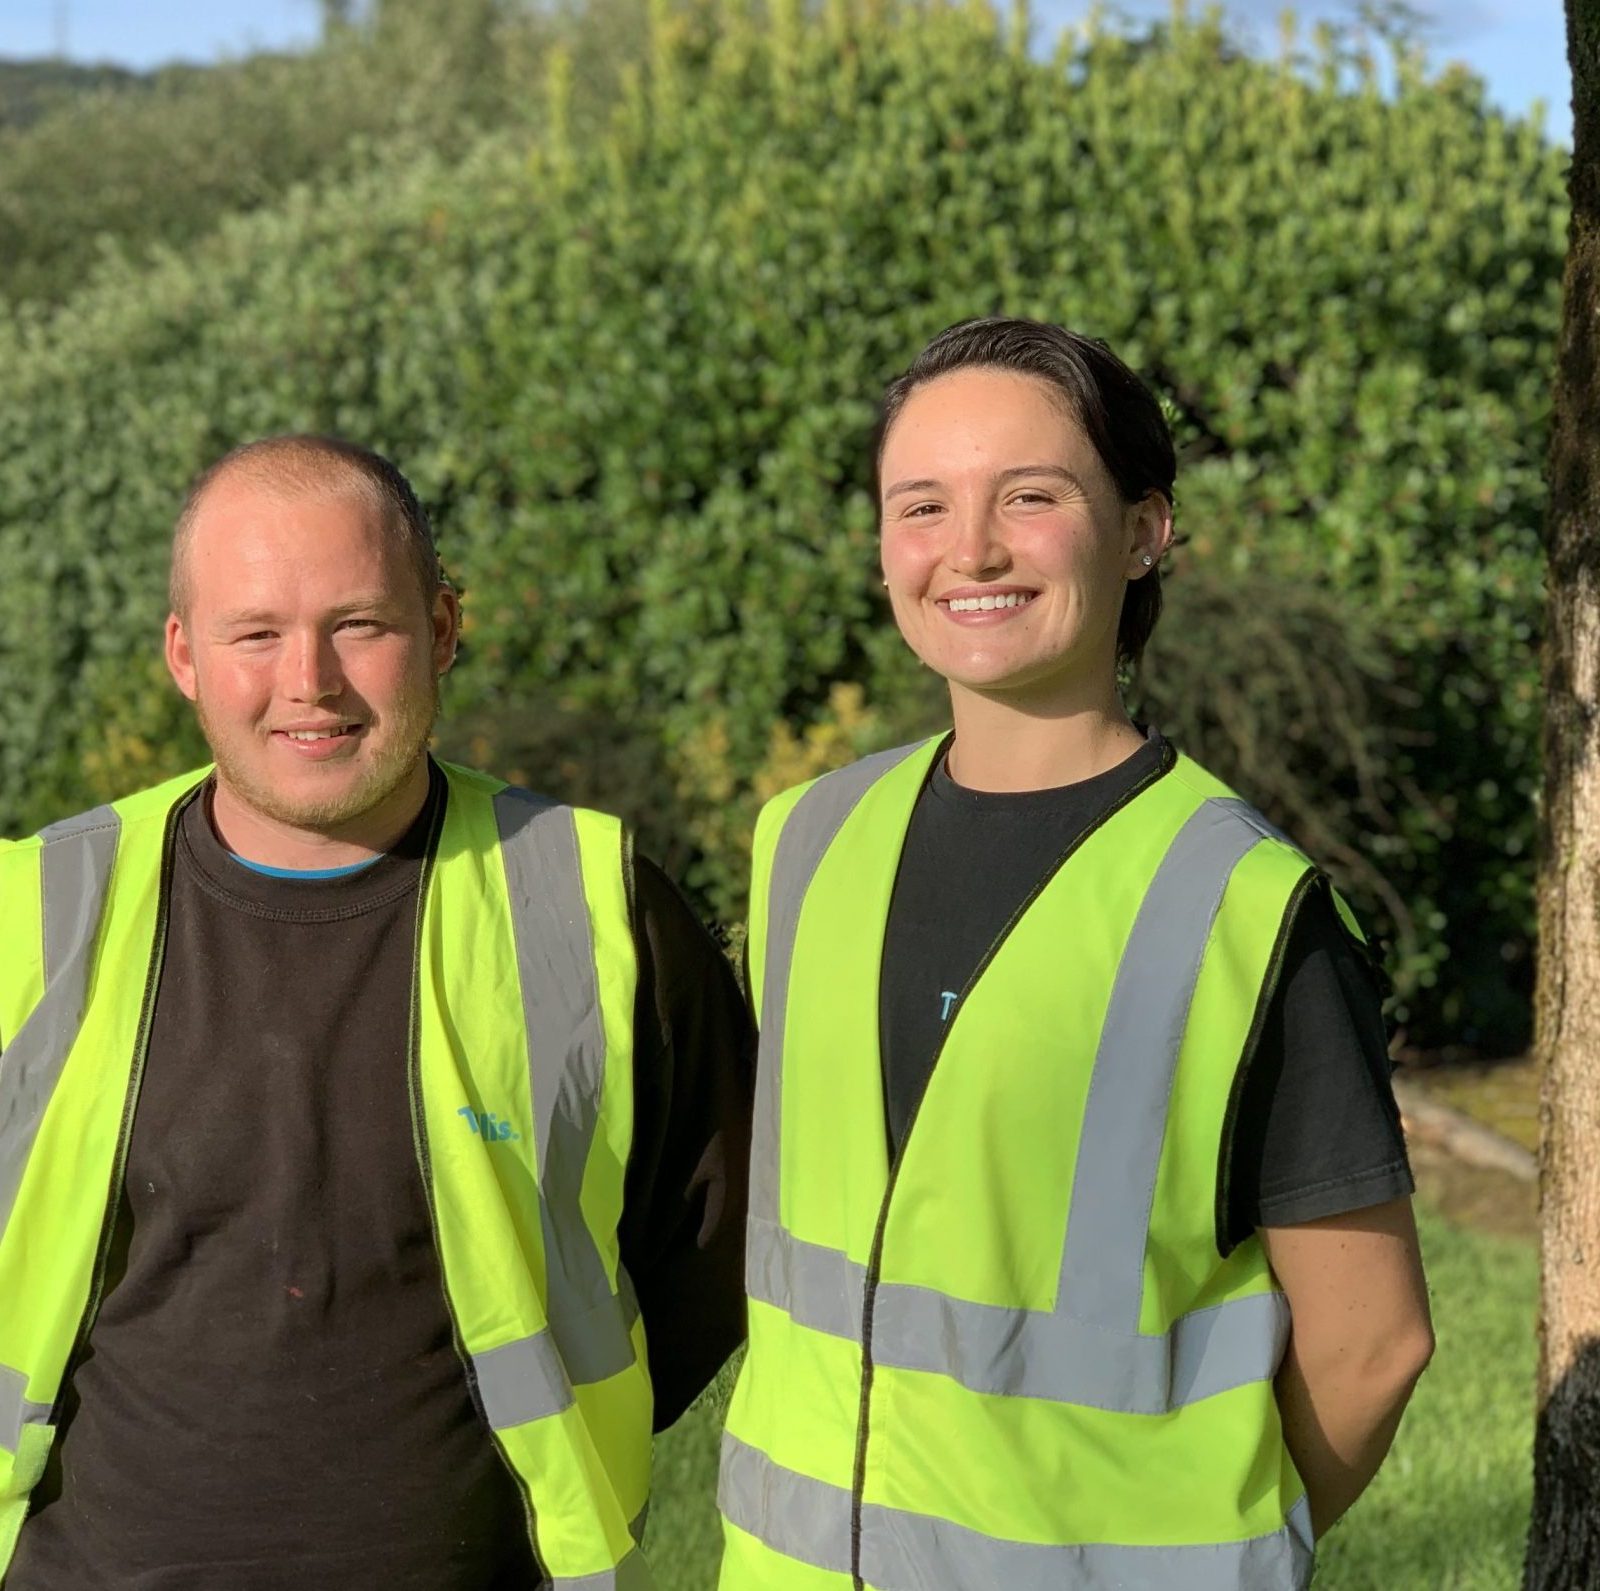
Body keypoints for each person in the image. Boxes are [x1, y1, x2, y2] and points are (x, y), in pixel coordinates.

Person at [717, 318, 1434, 1590]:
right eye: (920, 504)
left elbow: (1371, 1345)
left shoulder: (1248, 910)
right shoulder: (803, 843)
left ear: (1146, 529)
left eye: (1031, 497)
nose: (970, 550)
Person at [0, 436, 752, 1590]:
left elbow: (710, 1247)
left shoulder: (591, 899)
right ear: (184, 655)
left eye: (360, 625)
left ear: (443, 630)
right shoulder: (34, 912)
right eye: (256, 632)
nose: (309, 678)